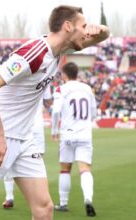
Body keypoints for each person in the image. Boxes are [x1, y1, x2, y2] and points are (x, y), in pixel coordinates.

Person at [0, 5, 109, 220]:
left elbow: (103, 36)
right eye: (83, 26)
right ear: (67, 26)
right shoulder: (35, 53)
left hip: (24, 139)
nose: (85, 32)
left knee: (44, 209)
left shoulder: (61, 49)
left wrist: (100, 28)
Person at [51, 62, 97, 217]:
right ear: (77, 74)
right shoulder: (87, 89)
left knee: (65, 169)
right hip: (85, 134)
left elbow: (56, 110)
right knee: (84, 169)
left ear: (64, 75)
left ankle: (63, 203)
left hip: (68, 135)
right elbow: (94, 112)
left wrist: (54, 130)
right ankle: (88, 198)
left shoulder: (61, 89)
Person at [2, 87, 53, 209]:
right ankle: (36, 199)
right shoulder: (44, 75)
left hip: (19, 126)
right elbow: (48, 101)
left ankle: (10, 197)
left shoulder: (16, 74)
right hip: (33, 126)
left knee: (9, 161)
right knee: (36, 163)